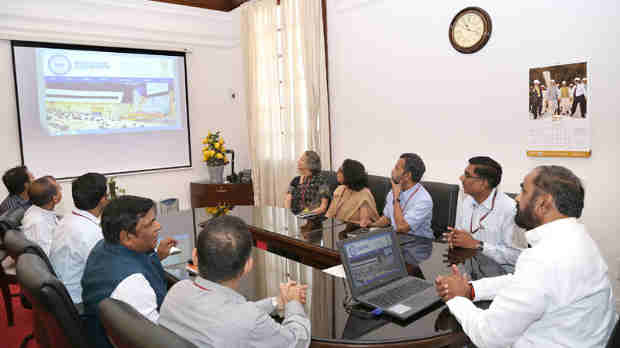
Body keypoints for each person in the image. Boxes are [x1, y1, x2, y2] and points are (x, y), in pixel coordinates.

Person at [435, 166, 617, 347]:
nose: (517, 197)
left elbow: (488, 336)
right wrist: (471, 289)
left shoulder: (544, 258)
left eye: (523, 190)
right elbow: (521, 282)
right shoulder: (578, 238)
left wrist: (457, 298)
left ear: (543, 204)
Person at [159, 215, 310, 348]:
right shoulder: (248, 321)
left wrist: (276, 302)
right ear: (248, 265)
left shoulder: (177, 291)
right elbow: (298, 341)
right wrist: (293, 302)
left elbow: (227, 313)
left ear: (195, 256)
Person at [82, 195, 177, 348]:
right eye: (151, 223)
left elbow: (134, 261)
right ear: (127, 236)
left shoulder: (104, 245)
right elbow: (155, 341)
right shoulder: (133, 285)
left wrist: (157, 257)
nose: (158, 226)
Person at [444, 157, 522, 279]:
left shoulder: (511, 210)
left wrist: (478, 245)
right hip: (471, 270)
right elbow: (460, 233)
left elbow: (516, 256)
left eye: (467, 175)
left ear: (484, 183)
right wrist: (454, 238)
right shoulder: (467, 201)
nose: (461, 178)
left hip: (501, 277)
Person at [369, 153, 433, 275]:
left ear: (407, 175)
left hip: (418, 247)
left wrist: (396, 197)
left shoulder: (424, 199)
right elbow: (387, 218)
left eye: (397, 168)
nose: (392, 170)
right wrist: (370, 227)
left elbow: (401, 227)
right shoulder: (394, 191)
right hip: (398, 241)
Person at [49, 173, 108, 304]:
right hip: (78, 301)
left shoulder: (68, 218)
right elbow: (106, 272)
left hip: (63, 292)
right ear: (103, 199)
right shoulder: (91, 233)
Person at [325, 159, 379, 227]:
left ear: (350, 175)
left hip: (351, 233)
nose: (337, 172)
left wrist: (343, 223)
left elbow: (364, 224)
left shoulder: (364, 194)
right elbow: (329, 214)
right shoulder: (340, 189)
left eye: (340, 171)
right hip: (335, 229)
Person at [21, 176, 62, 255]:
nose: (61, 188)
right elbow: (47, 254)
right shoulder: (38, 223)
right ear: (55, 198)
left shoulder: (40, 209)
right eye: (59, 188)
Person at [285, 150, 330, 215]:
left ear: (310, 164)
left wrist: (304, 214)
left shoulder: (321, 181)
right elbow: (287, 200)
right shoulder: (295, 180)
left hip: (312, 218)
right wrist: (289, 214)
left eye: (302, 160)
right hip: (296, 216)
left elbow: (323, 208)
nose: (298, 162)